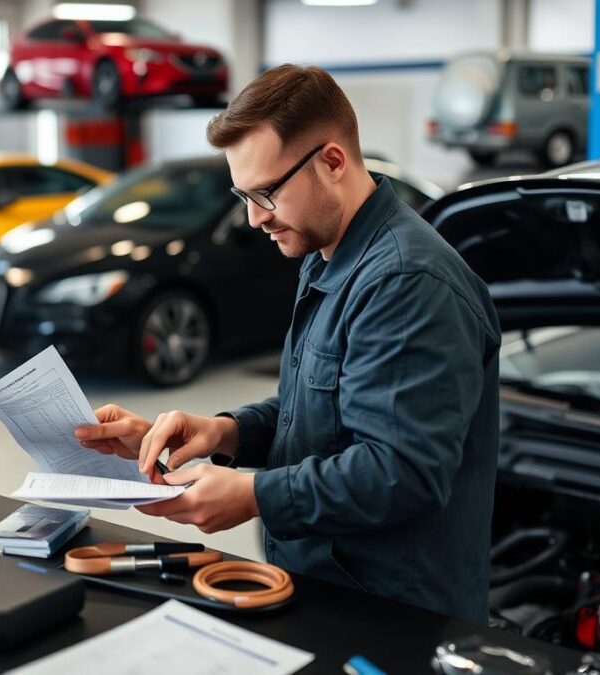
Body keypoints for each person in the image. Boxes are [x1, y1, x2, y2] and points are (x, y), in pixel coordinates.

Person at [74, 64, 501, 622]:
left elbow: (403, 472)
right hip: (324, 586)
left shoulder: (406, 281)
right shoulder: (326, 251)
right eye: (243, 194)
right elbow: (327, 407)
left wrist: (253, 495)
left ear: (332, 161)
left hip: (392, 617)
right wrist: (221, 433)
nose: (254, 218)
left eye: (266, 193)